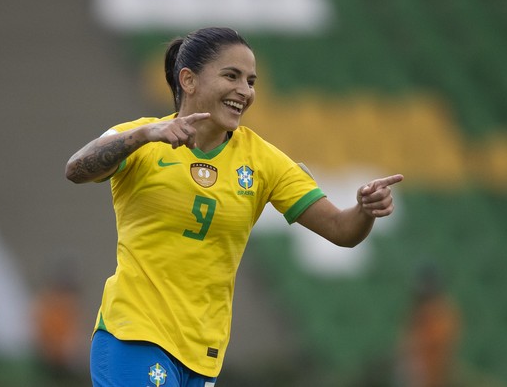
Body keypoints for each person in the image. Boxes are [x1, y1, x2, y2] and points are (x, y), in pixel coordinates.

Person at [65, 27, 403, 387]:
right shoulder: (143, 138)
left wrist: (365, 210)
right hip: (134, 334)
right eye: (232, 76)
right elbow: (76, 169)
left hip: (203, 353)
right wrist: (141, 136)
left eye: (251, 81)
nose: (245, 91)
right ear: (189, 80)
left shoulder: (264, 161)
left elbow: (341, 230)